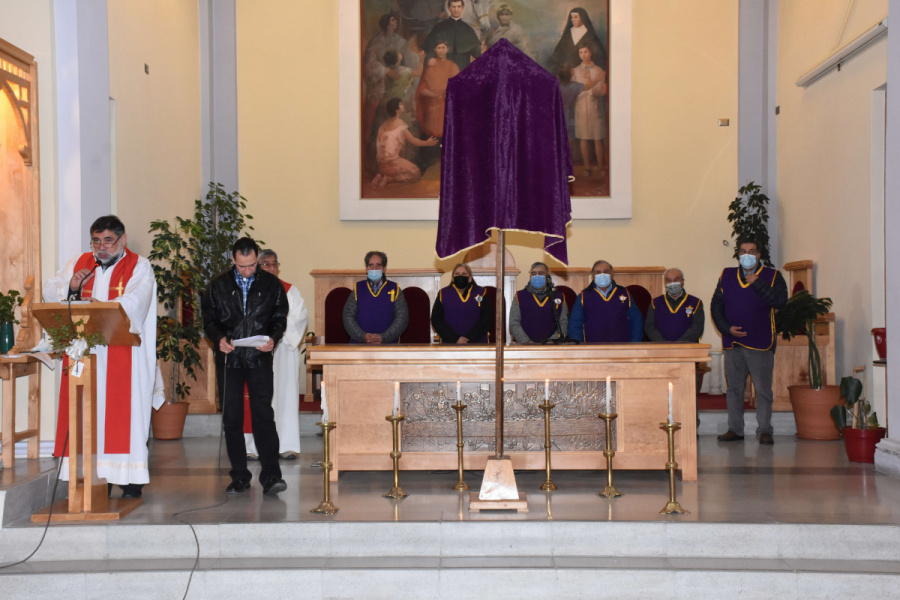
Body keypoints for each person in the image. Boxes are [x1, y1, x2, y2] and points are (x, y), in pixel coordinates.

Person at [44, 215, 157, 499]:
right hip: (86, 352)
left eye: (108, 241)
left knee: (125, 414)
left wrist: (104, 308)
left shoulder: (139, 266)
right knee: (87, 413)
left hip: (124, 355)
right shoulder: (80, 262)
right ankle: (95, 476)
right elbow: (50, 290)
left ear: (122, 239)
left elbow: (136, 301)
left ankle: (129, 478)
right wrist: (71, 286)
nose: (101, 247)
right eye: (96, 241)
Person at [202, 237, 289, 495]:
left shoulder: (271, 284)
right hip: (230, 360)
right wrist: (219, 339)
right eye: (242, 266)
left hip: (259, 358)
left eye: (252, 265)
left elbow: (279, 317)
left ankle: (272, 476)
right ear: (233, 260)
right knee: (232, 419)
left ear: (257, 258)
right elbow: (209, 320)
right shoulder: (217, 285)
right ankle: (239, 475)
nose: (248, 271)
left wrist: (273, 338)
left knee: (263, 416)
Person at [711, 237, 788, 446]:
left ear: (759, 254)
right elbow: (716, 305)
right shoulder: (726, 275)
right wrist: (726, 328)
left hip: (760, 342)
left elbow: (780, 301)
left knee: (763, 390)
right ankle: (735, 429)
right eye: (743, 251)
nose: (747, 255)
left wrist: (757, 282)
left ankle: (764, 430)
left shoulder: (773, 276)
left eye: (752, 251)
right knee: (734, 389)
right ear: (738, 254)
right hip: (733, 342)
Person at [243, 249, 308, 461]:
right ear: (257, 267)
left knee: (285, 396)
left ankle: (285, 445)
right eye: (266, 264)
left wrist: (275, 332)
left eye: (274, 264)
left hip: (283, 350)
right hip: (257, 350)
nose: (271, 268)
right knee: (257, 398)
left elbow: (298, 318)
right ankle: (252, 447)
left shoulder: (289, 291)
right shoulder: (248, 290)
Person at [569, 260, 643, 343]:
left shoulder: (625, 293)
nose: (602, 275)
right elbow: (575, 324)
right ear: (593, 276)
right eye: (598, 272)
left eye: (606, 271)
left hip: (622, 348)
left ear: (612, 274)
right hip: (593, 349)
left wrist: (635, 344)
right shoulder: (583, 296)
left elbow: (636, 321)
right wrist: (580, 349)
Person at [343, 251, 409, 344]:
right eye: (371, 265)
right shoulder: (357, 289)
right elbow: (348, 316)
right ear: (366, 268)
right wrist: (363, 336)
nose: (374, 269)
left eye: (378, 265)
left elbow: (402, 318)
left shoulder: (395, 289)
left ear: (384, 268)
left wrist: (384, 337)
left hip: (389, 346)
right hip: (360, 345)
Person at [373, 98, 440, 188]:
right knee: (416, 173)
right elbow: (414, 140)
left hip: (380, 166)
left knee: (408, 170)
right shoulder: (400, 124)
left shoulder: (383, 124)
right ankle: (389, 179)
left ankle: (381, 175)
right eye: (401, 104)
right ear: (396, 109)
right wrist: (427, 143)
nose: (403, 105)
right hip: (391, 163)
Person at [431, 263, 494, 343]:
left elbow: (487, 319)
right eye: (457, 274)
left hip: (477, 342)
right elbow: (436, 320)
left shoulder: (482, 292)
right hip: (449, 343)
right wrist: (455, 338)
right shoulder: (442, 294)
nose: (460, 276)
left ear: (470, 278)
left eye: (464, 274)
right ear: (453, 278)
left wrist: (469, 338)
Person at [509, 262, 569, 344]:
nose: (537, 276)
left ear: (547, 276)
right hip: (526, 346)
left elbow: (563, 323)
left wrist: (550, 343)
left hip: (553, 346)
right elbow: (514, 323)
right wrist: (527, 343)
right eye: (534, 273)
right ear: (530, 277)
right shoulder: (519, 296)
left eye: (541, 273)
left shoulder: (559, 296)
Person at [572, 44, 607, 178]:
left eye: (585, 52)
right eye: (581, 52)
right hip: (580, 107)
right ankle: (587, 167)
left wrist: (589, 80)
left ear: (590, 53)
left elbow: (599, 92)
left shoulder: (598, 70)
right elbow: (575, 89)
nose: (583, 55)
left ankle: (600, 167)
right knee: (584, 138)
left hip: (595, 107)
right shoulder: (575, 71)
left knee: (597, 138)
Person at [645, 269, 705, 343]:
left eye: (676, 280)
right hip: (661, 350)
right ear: (665, 283)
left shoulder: (696, 303)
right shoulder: (655, 303)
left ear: (682, 281)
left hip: (688, 350)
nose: (672, 283)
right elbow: (649, 327)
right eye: (668, 280)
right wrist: (664, 345)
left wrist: (678, 345)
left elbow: (697, 328)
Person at [415, 40, 460, 138]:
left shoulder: (452, 66)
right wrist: (434, 94)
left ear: (447, 49)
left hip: (446, 105)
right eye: (439, 48)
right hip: (432, 106)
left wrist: (449, 93)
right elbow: (422, 88)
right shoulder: (430, 66)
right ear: (435, 50)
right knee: (431, 135)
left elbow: (459, 86)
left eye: (443, 48)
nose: (441, 50)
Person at [423, 0, 482, 73]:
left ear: (462, 8)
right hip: (442, 67)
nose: (456, 10)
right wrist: (430, 58)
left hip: (462, 67)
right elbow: (429, 47)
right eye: (453, 7)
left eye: (458, 6)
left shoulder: (468, 29)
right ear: (449, 8)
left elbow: (477, 51)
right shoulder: (439, 27)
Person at [546, 7, 607, 76]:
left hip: (585, 71)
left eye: (576, 17)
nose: (573, 20)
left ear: (582, 18)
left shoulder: (590, 35)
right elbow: (558, 54)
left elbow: (599, 56)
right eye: (571, 17)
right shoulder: (568, 33)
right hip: (568, 72)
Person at [557, 64, 584, 159]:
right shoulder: (575, 86)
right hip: (569, 115)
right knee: (568, 141)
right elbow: (588, 87)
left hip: (557, 114)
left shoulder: (555, 85)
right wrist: (597, 79)